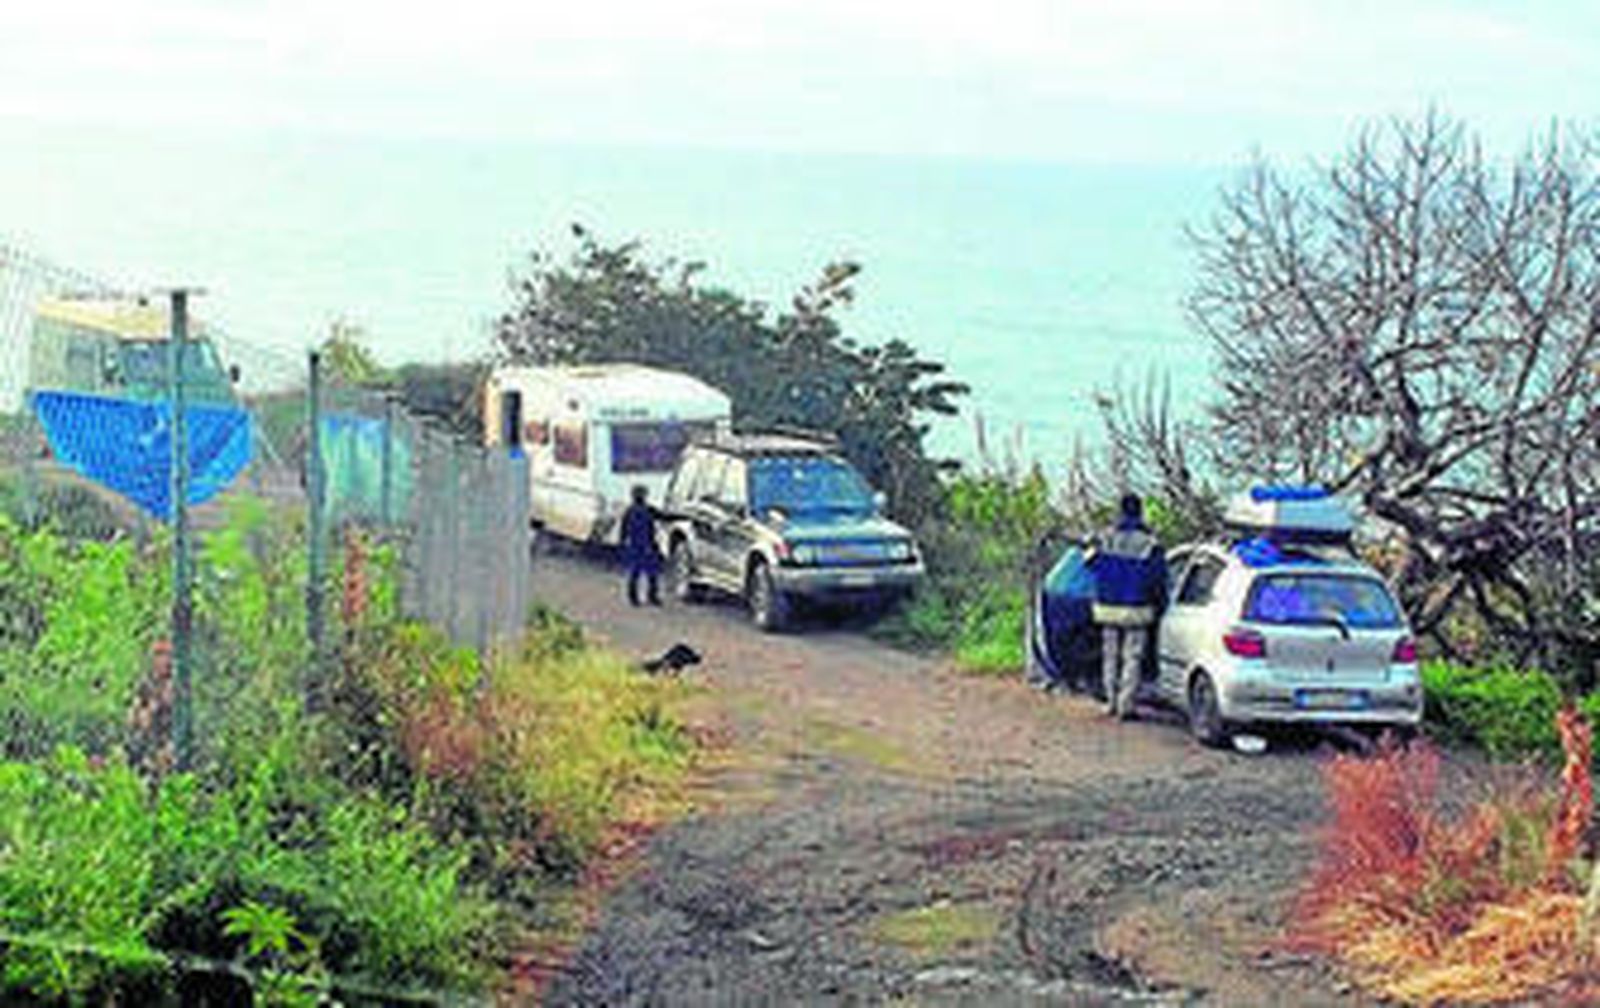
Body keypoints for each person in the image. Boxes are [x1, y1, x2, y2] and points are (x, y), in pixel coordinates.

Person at [1087, 493, 1167, 720]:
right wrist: (1160, 605)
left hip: (1107, 607)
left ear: (1120, 511)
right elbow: (1159, 579)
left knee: (1110, 655)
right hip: (1137, 608)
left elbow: (1089, 563)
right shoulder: (1150, 544)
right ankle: (1126, 705)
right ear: (1140, 512)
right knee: (1133, 657)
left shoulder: (1105, 538)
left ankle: (1110, 702)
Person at [620, 484, 664, 606]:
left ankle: (636, 598)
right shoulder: (645, 510)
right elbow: (663, 516)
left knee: (640, 573)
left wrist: (623, 544)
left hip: (639, 545)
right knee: (648, 573)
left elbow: (623, 531)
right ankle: (648, 597)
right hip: (644, 545)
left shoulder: (630, 511)